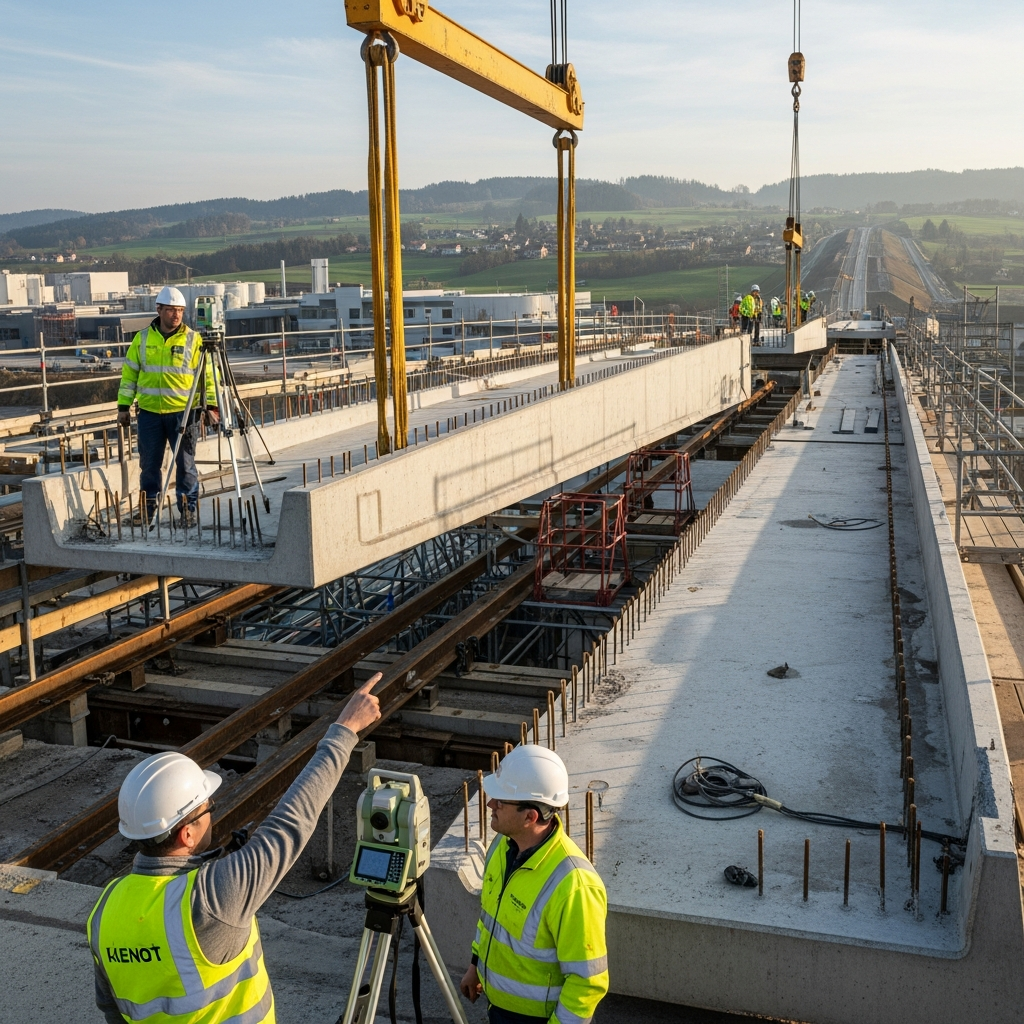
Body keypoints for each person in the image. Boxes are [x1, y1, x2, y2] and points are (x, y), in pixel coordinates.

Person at [87, 674, 383, 1024]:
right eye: (207, 810)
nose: (213, 813)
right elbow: (292, 821)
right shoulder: (213, 897)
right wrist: (345, 729)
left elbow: (112, 1009)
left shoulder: (105, 910)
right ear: (185, 834)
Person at [459, 745, 609, 1024]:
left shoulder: (574, 884)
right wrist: (475, 965)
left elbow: (588, 982)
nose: (491, 805)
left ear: (531, 816)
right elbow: (490, 918)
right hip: (499, 1009)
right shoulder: (503, 848)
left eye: (501, 801)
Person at [117, 286, 219, 527]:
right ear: (159, 310)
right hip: (150, 414)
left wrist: (211, 406)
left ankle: (188, 511)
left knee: (185, 465)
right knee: (149, 466)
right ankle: (147, 511)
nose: (176, 315)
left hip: (183, 414)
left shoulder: (194, 340)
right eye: (172, 310)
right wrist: (123, 406)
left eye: (180, 310)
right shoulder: (141, 339)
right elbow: (129, 375)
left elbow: (209, 377)